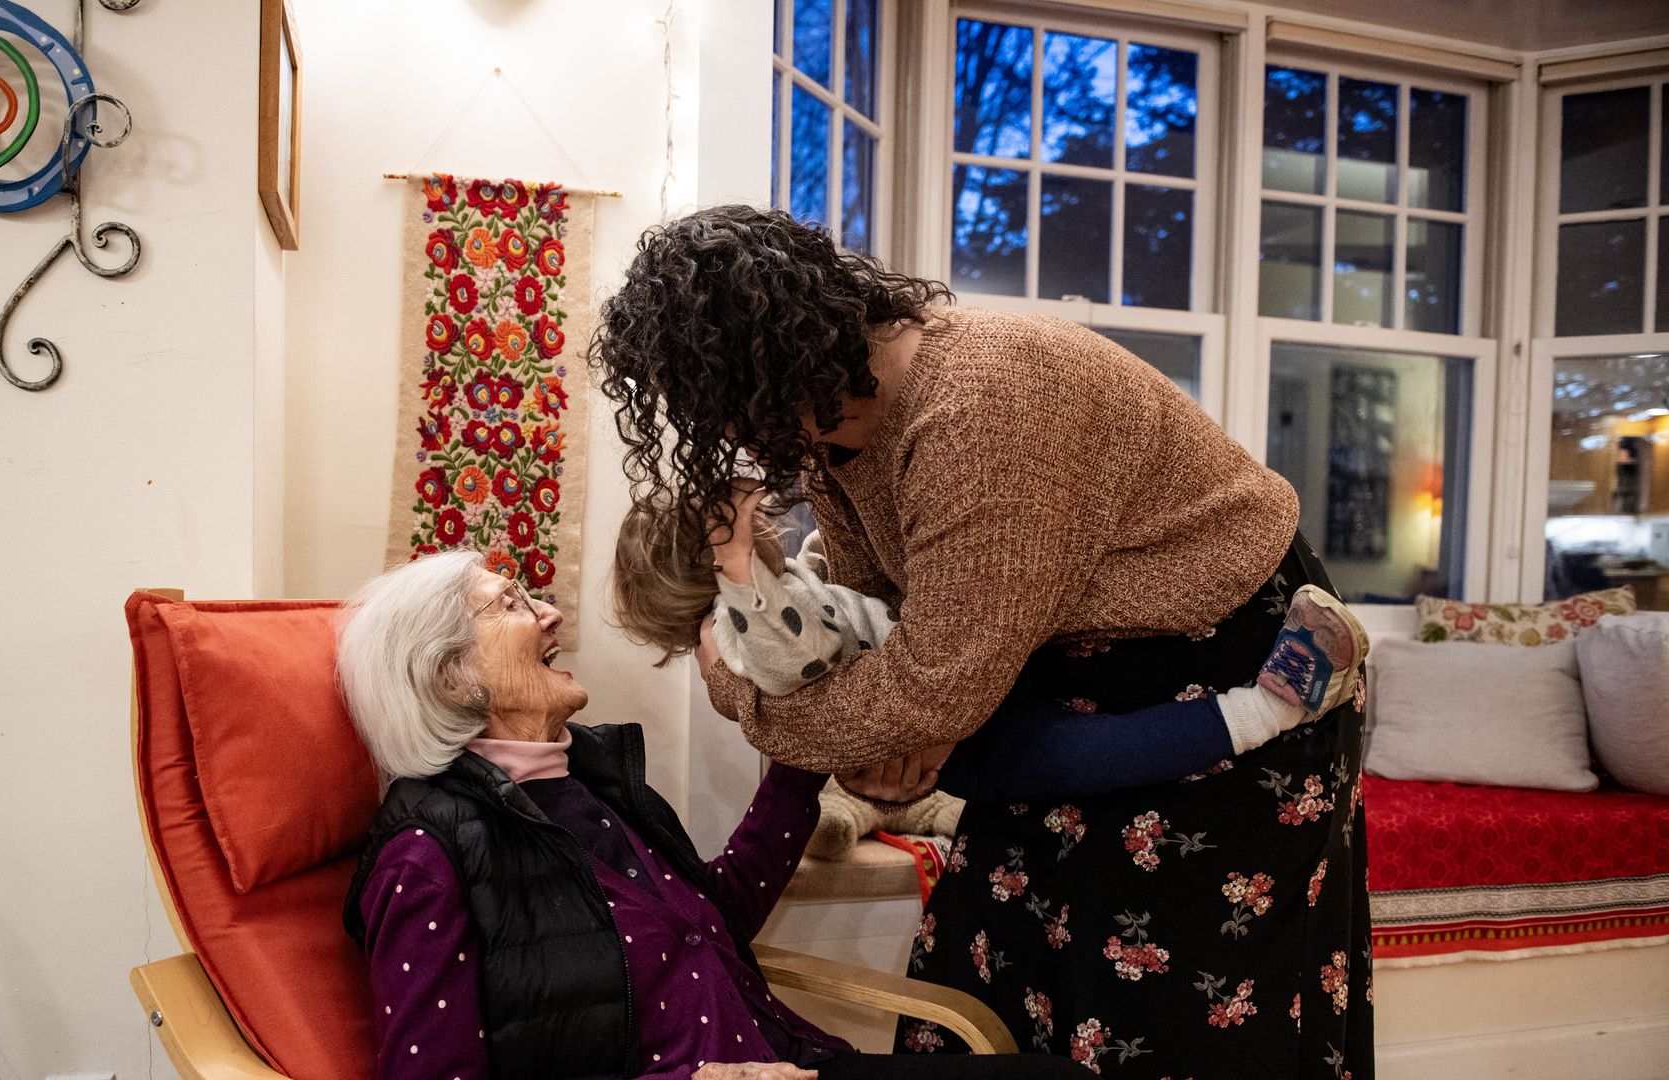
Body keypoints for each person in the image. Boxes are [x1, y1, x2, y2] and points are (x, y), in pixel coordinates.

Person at [588, 205, 1374, 1078]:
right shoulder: (835, 432)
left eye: (717, 403)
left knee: (1168, 1009)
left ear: (767, 367)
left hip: (1215, 661)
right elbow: (882, 616)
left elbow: (929, 686)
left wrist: (743, 692)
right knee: (1002, 965)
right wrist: (889, 731)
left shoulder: (981, 405)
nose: (727, 437)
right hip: (1045, 675)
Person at [336, 551, 1093, 1080]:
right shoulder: (425, 852)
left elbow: (717, 915)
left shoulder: (589, 782)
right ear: (449, 672)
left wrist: (804, 756)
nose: (550, 611)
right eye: (510, 603)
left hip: (791, 1058)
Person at [609, 486, 1367, 803]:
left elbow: (823, 611)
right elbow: (793, 656)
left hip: (951, 691)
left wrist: (783, 566)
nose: (757, 521)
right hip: (963, 741)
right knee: (1083, 754)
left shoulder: (760, 600)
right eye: (738, 538)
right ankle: (1275, 707)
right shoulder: (737, 631)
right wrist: (740, 568)